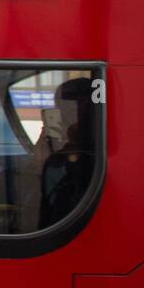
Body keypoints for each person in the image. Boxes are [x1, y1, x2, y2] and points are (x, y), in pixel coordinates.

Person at [37, 78, 96, 229]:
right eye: (61, 111)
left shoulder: (93, 157)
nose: (64, 120)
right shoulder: (59, 157)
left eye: (70, 112)